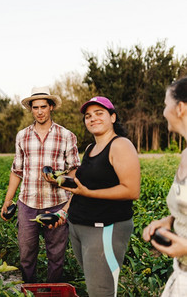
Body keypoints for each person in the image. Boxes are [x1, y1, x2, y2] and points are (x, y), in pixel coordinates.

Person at [60, 96, 140, 297]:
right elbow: (81, 186)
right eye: (88, 116)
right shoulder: (90, 148)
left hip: (104, 228)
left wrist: (89, 193)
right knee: (94, 285)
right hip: (79, 227)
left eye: (99, 113)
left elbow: (132, 190)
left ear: (112, 117)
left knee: (101, 292)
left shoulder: (120, 145)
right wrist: (64, 210)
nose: (92, 118)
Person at [0, 86, 81, 283]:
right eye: (35, 107)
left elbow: (74, 170)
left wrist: (60, 180)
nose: (39, 111)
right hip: (27, 204)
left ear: (51, 107)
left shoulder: (66, 135)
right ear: (31, 109)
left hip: (57, 203)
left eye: (43, 106)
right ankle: (30, 288)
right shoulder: (22, 136)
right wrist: (7, 200)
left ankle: (53, 289)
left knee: (56, 256)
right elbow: (17, 170)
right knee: (26, 256)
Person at [143, 78, 187, 296]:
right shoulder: (185, 155)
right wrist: (169, 221)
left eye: (165, 104)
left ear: (180, 108)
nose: (162, 112)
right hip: (181, 272)